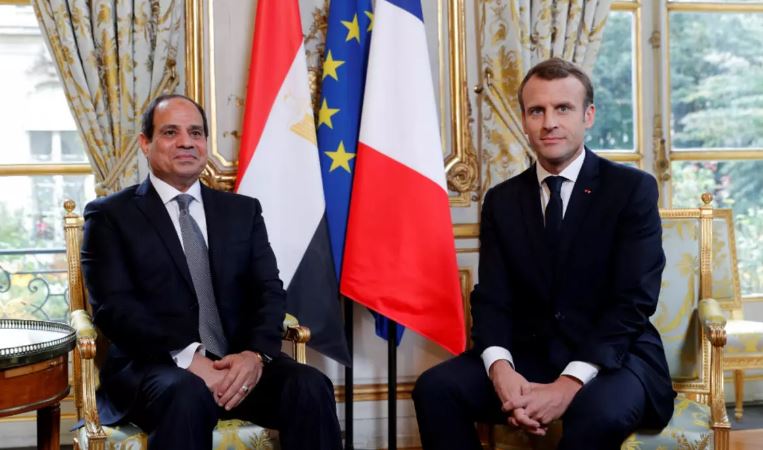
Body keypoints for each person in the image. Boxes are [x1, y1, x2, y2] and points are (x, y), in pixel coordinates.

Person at [413, 58, 675, 450]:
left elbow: (633, 302)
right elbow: (493, 299)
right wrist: (500, 368)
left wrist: (568, 384)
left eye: (563, 108)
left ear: (588, 115)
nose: (549, 122)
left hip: (613, 358)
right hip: (529, 354)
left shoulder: (631, 190)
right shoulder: (501, 200)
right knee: (435, 389)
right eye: (537, 110)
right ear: (524, 120)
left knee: (597, 415)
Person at [81, 94, 342, 450]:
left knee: (310, 386)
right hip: (154, 368)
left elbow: (268, 291)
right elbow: (114, 309)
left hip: (238, 366)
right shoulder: (110, 216)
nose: (186, 142)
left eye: (196, 133)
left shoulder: (243, 211)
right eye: (170, 132)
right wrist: (190, 359)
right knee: (186, 394)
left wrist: (255, 356)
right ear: (145, 143)